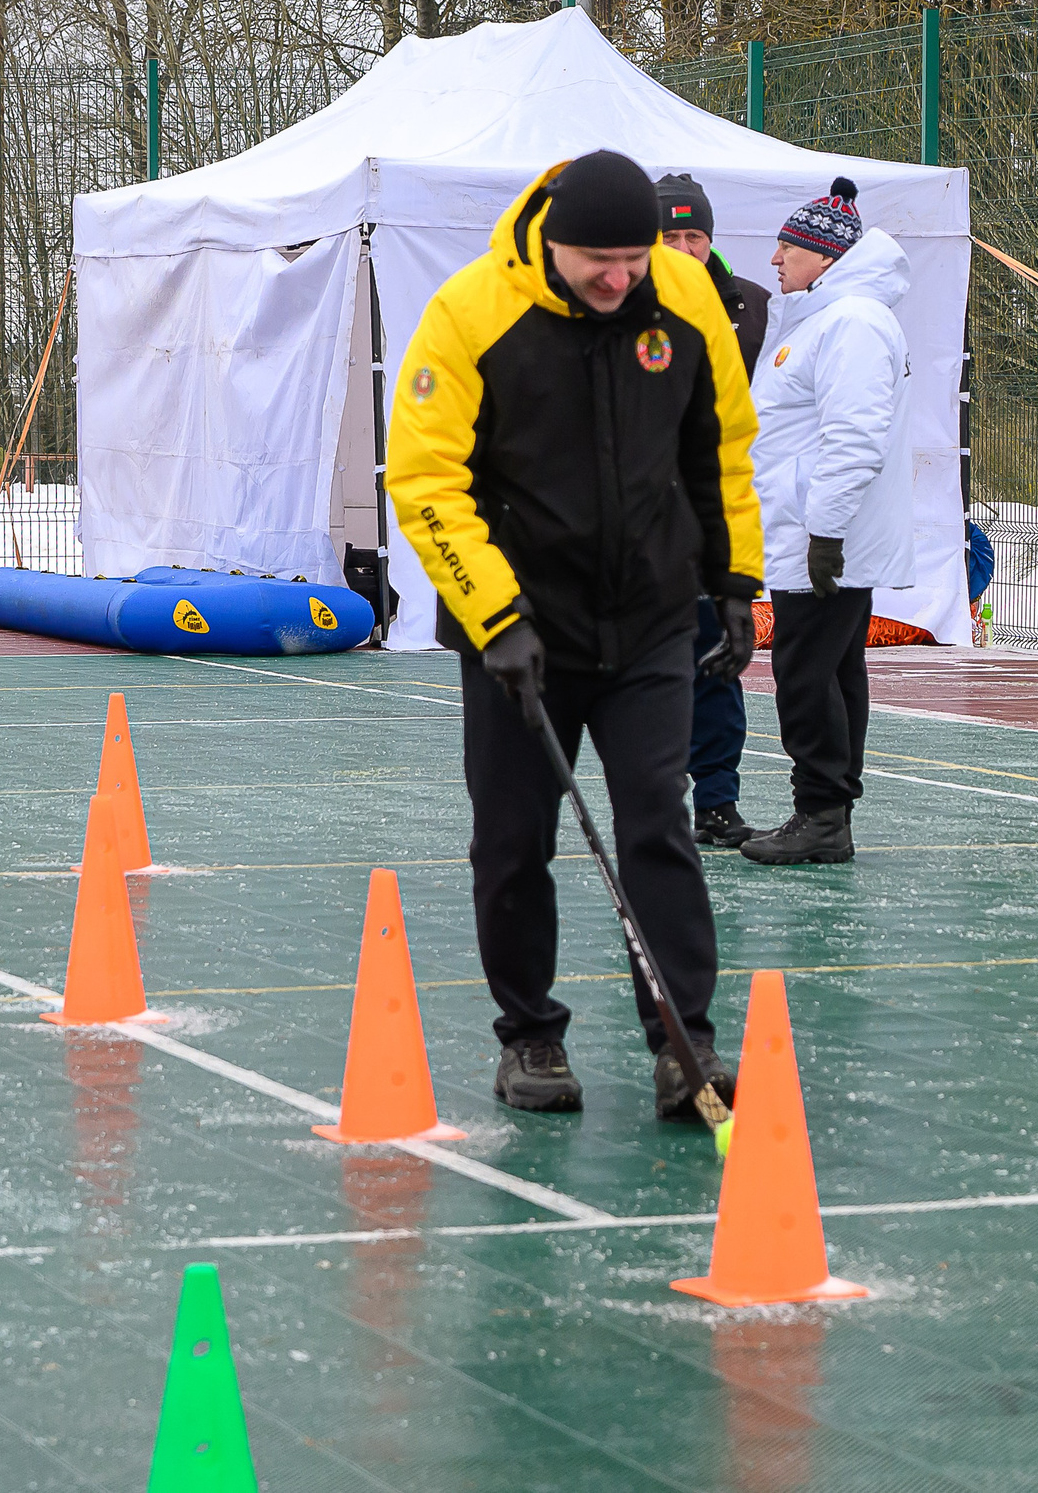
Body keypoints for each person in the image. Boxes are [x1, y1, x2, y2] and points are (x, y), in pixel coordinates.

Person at [385, 149, 764, 1120]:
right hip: (521, 631)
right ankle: (530, 1036)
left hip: (648, 619)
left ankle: (684, 1041)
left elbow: (720, 448)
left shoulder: (683, 298)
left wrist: (734, 582)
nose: (620, 279)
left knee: (657, 820)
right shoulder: (470, 313)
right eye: (600, 261)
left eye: (634, 260)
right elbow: (426, 481)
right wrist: (495, 617)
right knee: (514, 838)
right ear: (552, 244)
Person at [742, 177, 916, 867]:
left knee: (806, 673)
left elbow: (853, 437)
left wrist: (825, 533)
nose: (775, 259)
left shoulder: (852, 323)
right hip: (813, 529)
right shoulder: (830, 319)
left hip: (822, 536)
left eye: (787, 247)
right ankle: (827, 812)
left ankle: (820, 813)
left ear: (825, 255)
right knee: (832, 669)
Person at [657, 172, 773, 848]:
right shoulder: (621, 302)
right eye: (668, 236)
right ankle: (654, 798)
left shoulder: (753, 306)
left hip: (717, 513)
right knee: (648, 672)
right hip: (644, 519)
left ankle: (718, 801)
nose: (682, 249)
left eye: (693, 235)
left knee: (719, 665)